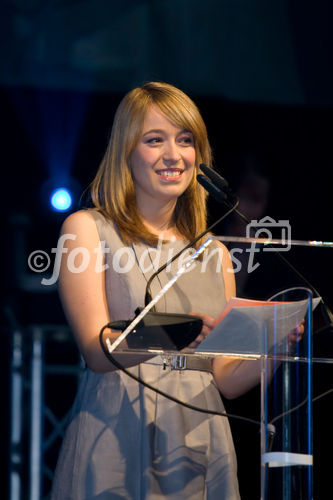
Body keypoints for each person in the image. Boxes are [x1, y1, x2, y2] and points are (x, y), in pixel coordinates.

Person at [50, 82, 283, 499]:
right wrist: (176, 330)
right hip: (117, 430)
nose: (174, 155)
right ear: (127, 152)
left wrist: (276, 342)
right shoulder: (87, 229)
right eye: (154, 140)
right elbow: (95, 349)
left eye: (185, 141)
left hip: (199, 440)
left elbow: (226, 379)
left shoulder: (214, 252)